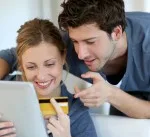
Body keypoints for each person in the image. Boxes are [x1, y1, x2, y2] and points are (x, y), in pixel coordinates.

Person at [0, 0, 150, 119]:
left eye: (90, 42)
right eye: (75, 42)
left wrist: (111, 94)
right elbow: (13, 56)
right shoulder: (69, 40)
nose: (81, 54)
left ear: (116, 33)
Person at [0, 18, 100, 137]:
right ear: (21, 65)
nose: (41, 76)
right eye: (31, 67)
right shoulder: (5, 92)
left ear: (63, 57)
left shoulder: (76, 110)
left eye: (50, 64)